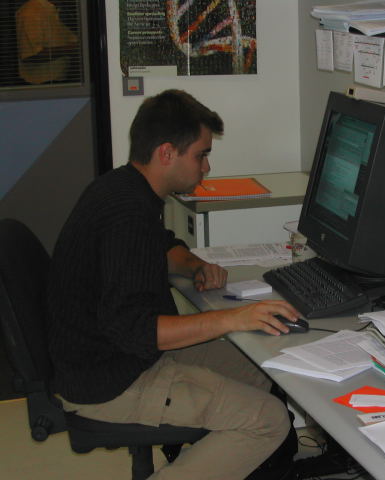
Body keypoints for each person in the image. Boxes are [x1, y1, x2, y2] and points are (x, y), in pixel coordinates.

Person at [46, 89, 302, 479]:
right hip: (108, 379)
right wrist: (234, 318)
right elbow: (136, 330)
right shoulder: (127, 215)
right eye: (201, 155)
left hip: (115, 356)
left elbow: (161, 245)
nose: (206, 168)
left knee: (262, 366)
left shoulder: (124, 187)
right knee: (268, 420)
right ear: (167, 153)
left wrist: (193, 264)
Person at [15, 0, 79, 84]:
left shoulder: (58, 10)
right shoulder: (32, 9)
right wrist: (71, 49)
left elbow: (72, 41)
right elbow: (30, 55)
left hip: (63, 82)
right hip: (40, 85)